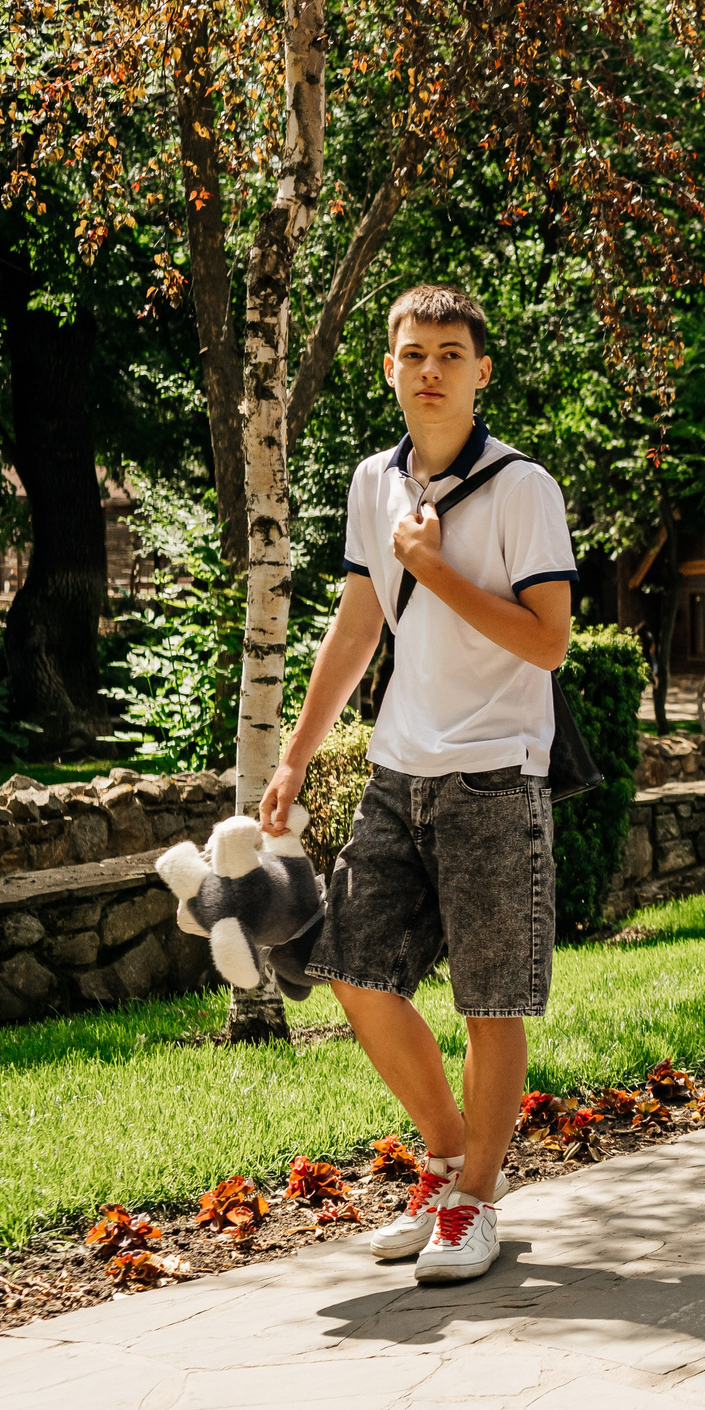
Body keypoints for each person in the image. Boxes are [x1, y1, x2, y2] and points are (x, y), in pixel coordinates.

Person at [259, 283, 578, 1286]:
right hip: (399, 768)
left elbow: (550, 640)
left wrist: (436, 572)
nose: (430, 368)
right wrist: (297, 752)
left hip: (495, 776)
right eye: (413, 353)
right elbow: (357, 626)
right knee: (353, 972)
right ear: (389, 368)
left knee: (492, 999)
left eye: (450, 352)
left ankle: (476, 1202)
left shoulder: (523, 488)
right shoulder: (374, 483)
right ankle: (446, 1165)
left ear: (482, 372)